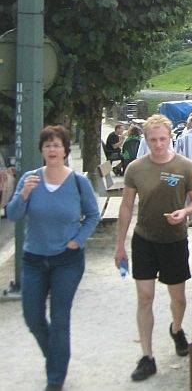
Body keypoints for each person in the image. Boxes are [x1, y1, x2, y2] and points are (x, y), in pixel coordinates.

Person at [6, 125, 100, 391]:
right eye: (47, 145)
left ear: (65, 150)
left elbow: (92, 215)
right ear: (42, 151)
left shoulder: (77, 182)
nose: (52, 149)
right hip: (34, 260)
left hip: (66, 261)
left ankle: (55, 379)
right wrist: (23, 195)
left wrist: (78, 240)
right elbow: (13, 215)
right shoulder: (30, 180)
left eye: (57, 145)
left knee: (60, 319)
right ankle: (55, 357)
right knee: (32, 317)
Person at [114, 114, 192, 382]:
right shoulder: (136, 169)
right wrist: (120, 245)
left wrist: (185, 211)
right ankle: (147, 356)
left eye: (162, 139)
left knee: (178, 298)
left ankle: (176, 329)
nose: (158, 144)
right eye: (153, 140)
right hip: (144, 239)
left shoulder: (184, 166)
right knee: (145, 297)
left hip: (174, 240)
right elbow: (127, 206)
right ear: (146, 140)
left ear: (169, 137)